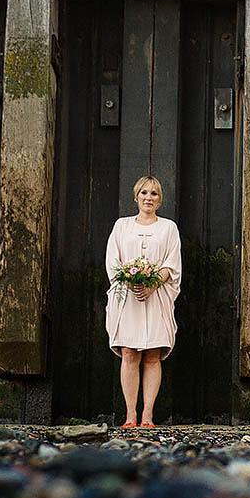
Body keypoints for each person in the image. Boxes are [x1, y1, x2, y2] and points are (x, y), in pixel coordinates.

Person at [105, 175, 182, 428]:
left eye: (154, 194)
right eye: (144, 193)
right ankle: (130, 415)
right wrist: (131, 281)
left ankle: (147, 415)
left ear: (160, 199)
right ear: (136, 196)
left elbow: (172, 264)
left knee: (152, 354)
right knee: (129, 353)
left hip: (155, 297)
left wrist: (151, 285)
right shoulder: (121, 226)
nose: (149, 198)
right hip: (128, 298)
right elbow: (113, 261)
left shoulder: (168, 228)